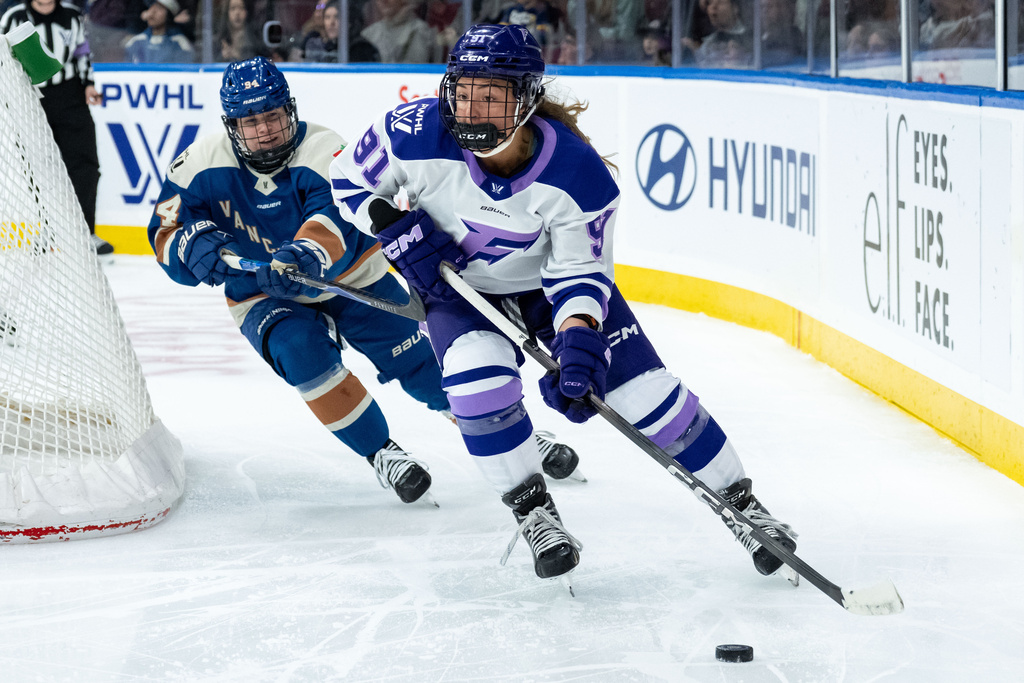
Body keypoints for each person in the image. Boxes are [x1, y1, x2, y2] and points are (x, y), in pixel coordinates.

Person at [328, 24, 798, 584]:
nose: (473, 110)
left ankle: (742, 506)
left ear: (525, 98)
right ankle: (534, 513)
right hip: (457, 291)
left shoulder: (578, 174)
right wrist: (390, 226)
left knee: (645, 394)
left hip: (547, 294)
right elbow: (348, 179)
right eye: (465, 91)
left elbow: (579, 271)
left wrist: (578, 340)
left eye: (492, 96)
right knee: (476, 387)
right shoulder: (411, 132)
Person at [146, 57, 579, 505]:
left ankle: (508, 434)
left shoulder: (325, 149)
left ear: (289, 110)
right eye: (250, 121)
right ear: (230, 124)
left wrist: (308, 254)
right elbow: (164, 232)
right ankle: (381, 453)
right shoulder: (196, 165)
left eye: (272, 116)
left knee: (427, 367)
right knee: (301, 354)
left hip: (354, 278)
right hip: (261, 290)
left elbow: (332, 216)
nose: (265, 130)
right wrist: (188, 249)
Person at [1, 0, 112, 256]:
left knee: (84, 163)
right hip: (29, 98)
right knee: (38, 166)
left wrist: (88, 83)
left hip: (70, 95)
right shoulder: (13, 17)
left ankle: (86, 231)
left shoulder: (72, 15)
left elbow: (82, 52)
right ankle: (48, 229)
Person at [123, 0, 194, 63]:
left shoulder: (179, 44)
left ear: (168, 16)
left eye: (159, 8)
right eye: (152, 6)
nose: (152, 12)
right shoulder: (135, 42)